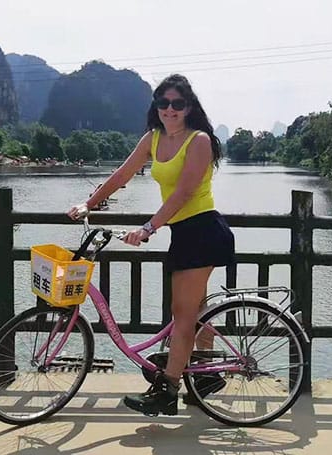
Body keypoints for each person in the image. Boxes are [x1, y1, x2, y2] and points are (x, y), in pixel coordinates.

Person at [67, 74, 235, 417]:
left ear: (189, 107)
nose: (170, 110)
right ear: (156, 107)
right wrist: (89, 203)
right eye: (163, 103)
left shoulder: (199, 140)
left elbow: (184, 192)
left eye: (177, 104)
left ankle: (167, 392)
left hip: (203, 230)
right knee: (197, 310)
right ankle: (206, 375)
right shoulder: (154, 138)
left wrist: (148, 227)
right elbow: (122, 174)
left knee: (183, 314)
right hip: (183, 233)